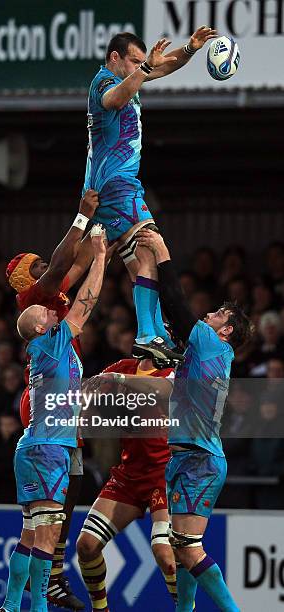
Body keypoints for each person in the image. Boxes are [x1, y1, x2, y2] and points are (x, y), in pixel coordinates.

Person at [83, 29, 216, 366]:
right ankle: (149, 332)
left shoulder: (133, 77)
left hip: (118, 186)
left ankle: (152, 335)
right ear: (116, 58)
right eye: (136, 61)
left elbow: (164, 67)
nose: (142, 67)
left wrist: (190, 48)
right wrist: (144, 71)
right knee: (154, 245)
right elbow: (114, 100)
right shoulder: (103, 82)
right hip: (117, 186)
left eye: (142, 62)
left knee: (142, 260)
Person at [136, 228, 252, 612]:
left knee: (188, 548)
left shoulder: (210, 343)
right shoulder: (208, 352)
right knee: (181, 545)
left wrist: (163, 253)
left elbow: (175, 302)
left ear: (227, 329)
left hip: (200, 459)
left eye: (217, 313)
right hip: (188, 456)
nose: (208, 314)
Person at [0, 225, 107, 612]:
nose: (52, 306)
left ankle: (11, 606)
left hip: (33, 445)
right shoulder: (55, 335)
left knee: (29, 535)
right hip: (49, 449)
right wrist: (102, 255)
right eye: (45, 310)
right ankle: (40, 605)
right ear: (41, 324)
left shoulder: (43, 346)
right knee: (46, 538)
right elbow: (87, 301)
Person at [77, 358, 178, 611]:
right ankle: (100, 609)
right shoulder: (120, 366)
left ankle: (186, 608)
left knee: (166, 556)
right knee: (86, 545)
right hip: (128, 474)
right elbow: (88, 400)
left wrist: (118, 386)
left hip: (164, 474)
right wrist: (89, 403)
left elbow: (157, 391)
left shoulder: (175, 372)